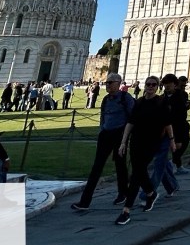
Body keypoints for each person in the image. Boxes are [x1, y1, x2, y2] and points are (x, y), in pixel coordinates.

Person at [71, 73, 135, 212]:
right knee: (97, 167)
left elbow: (132, 118)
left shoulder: (126, 98)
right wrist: (102, 130)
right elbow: (103, 116)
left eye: (111, 82)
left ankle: (123, 193)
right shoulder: (106, 99)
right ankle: (85, 201)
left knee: (120, 165)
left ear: (119, 83)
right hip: (106, 135)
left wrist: (126, 138)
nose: (108, 85)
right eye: (107, 82)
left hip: (120, 135)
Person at [116, 75, 170, 226]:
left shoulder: (161, 102)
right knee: (140, 171)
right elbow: (130, 123)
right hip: (136, 142)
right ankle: (151, 194)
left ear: (157, 87)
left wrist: (172, 141)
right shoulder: (138, 103)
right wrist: (123, 142)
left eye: (153, 84)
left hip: (152, 143)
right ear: (144, 86)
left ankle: (126, 210)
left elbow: (167, 123)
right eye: (148, 84)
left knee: (136, 174)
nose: (150, 86)